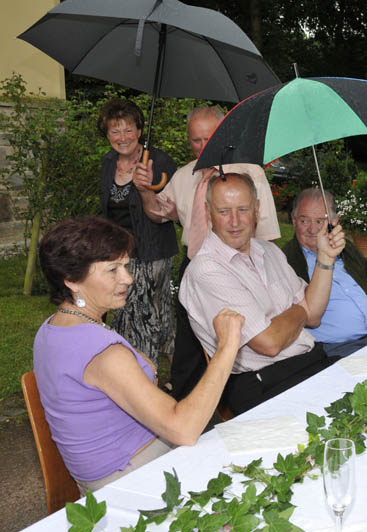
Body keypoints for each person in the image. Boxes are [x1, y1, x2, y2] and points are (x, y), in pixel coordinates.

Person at [34, 216, 244, 495]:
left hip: (109, 470)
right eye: (113, 270)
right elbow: (184, 429)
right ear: (72, 280)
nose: (128, 278)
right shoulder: (105, 354)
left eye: (125, 265)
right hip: (131, 480)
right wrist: (226, 347)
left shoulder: (53, 328)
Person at [138, 105, 281, 400]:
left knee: (241, 340)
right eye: (196, 140)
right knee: (189, 345)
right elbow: (157, 213)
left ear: (225, 134)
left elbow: (266, 237)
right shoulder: (184, 175)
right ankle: (186, 400)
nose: (204, 146)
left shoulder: (250, 173)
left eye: (210, 137)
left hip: (238, 268)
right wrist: (144, 190)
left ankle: (240, 395)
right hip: (194, 268)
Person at [179, 172, 345, 415]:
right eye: (224, 211)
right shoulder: (206, 270)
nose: (235, 222)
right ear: (207, 212)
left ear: (256, 209)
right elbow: (269, 343)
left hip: (310, 361)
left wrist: (325, 258)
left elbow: (315, 314)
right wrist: (301, 309)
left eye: (243, 209)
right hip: (262, 384)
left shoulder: (269, 251)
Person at [97, 98, 178, 364]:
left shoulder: (159, 162)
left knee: (138, 314)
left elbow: (172, 213)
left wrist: (147, 189)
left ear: (140, 131)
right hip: (118, 254)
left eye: (128, 129)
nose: (122, 137)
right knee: (147, 311)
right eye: (115, 131)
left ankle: (140, 369)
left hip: (151, 252)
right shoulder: (108, 162)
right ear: (107, 134)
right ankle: (168, 367)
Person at [282, 189, 367, 357]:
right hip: (335, 350)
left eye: (319, 221)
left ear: (334, 222)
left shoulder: (346, 249)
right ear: (294, 221)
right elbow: (295, 316)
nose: (312, 229)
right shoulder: (287, 261)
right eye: (304, 220)